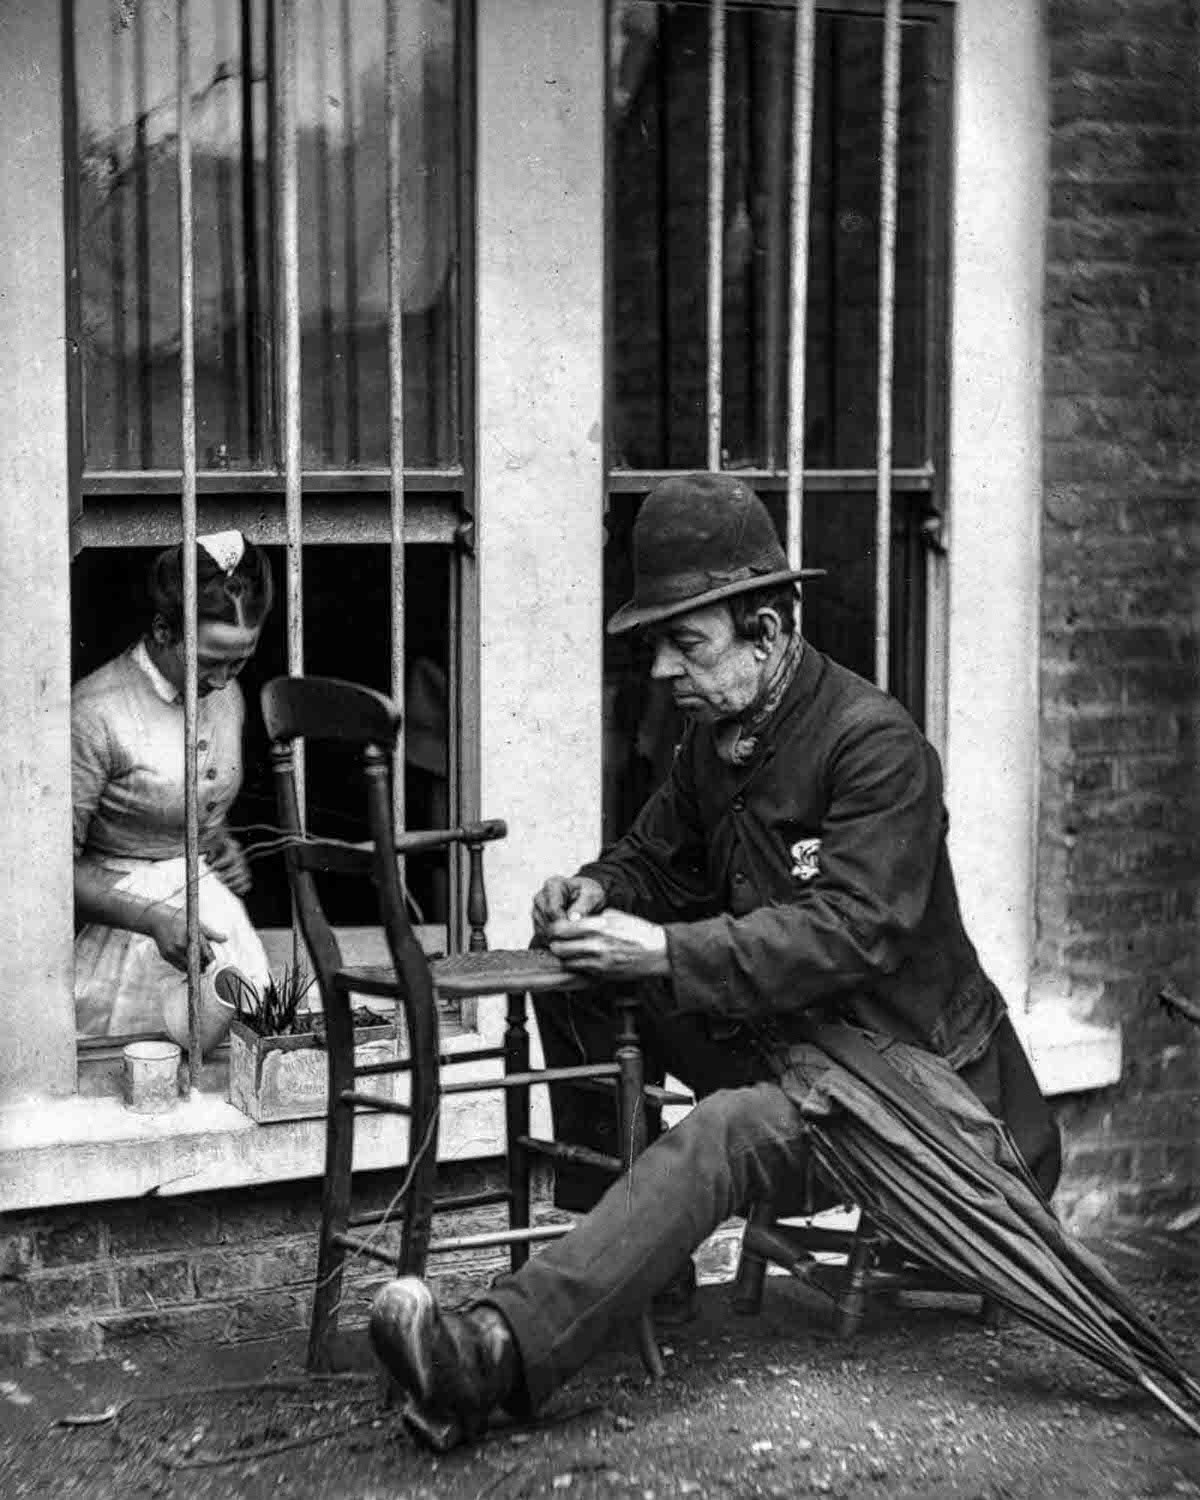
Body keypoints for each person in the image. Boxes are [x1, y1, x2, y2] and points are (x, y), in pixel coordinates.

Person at [368, 474, 1062, 1450]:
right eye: (657, 644)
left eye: (685, 643)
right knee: (574, 970)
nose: (661, 670)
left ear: (772, 633)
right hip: (801, 1059)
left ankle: (491, 1354)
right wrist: (597, 894)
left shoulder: (879, 748)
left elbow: (850, 934)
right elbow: (654, 858)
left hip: (918, 1103)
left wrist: (659, 947)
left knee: (730, 1128)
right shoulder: (712, 738)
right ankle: (635, 1280)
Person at [72, 530, 275, 1045]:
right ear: (164, 630)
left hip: (208, 916)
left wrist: (218, 843)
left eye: (241, 661)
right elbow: (43, 875)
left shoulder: (227, 696)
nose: (225, 679)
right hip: (125, 930)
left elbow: (192, 804)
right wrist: (150, 917)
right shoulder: (96, 713)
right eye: (209, 661)